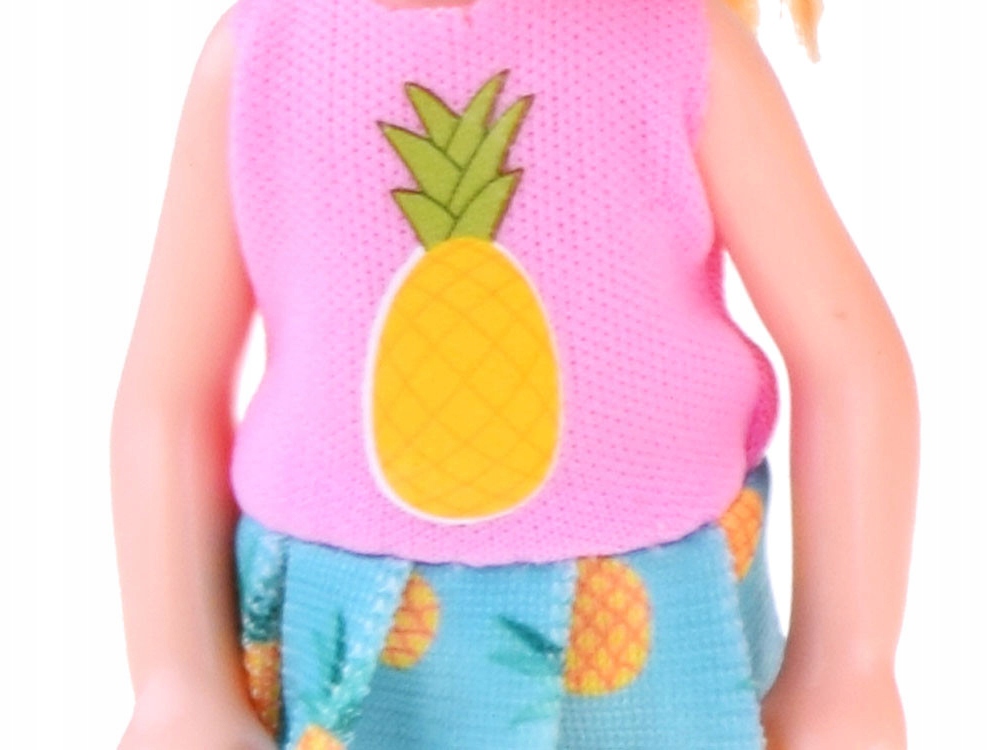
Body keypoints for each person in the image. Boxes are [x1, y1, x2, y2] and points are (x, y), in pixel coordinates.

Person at [111, 0, 918, 747]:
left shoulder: (677, 46)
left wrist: (847, 665)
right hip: (338, 640)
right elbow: (169, 394)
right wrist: (179, 678)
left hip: (649, 640)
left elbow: (846, 355)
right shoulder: (261, 58)